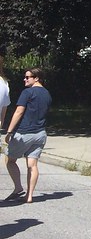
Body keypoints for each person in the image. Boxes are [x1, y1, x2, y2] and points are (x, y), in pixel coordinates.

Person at [5, 67, 52, 204]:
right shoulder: (47, 94)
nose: (24, 79)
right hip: (41, 134)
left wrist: (9, 131)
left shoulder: (28, 92)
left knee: (10, 160)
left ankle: (18, 188)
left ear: (36, 78)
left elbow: (19, 112)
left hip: (25, 132)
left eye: (27, 77)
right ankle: (30, 196)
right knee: (32, 164)